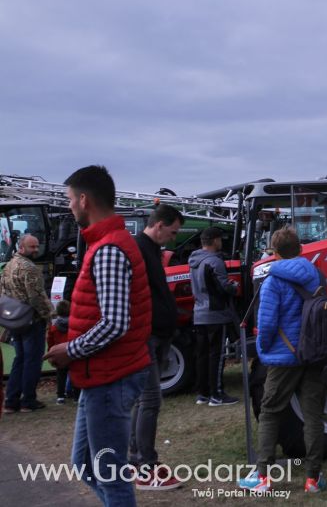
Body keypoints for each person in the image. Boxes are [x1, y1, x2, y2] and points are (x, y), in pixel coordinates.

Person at [43, 165, 151, 507]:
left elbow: (116, 322)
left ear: (85, 199)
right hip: (101, 374)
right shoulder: (105, 243)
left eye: (70, 199)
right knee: (86, 464)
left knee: (107, 471)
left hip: (110, 375)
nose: (70, 206)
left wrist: (70, 350)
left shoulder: (107, 249)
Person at [239, 226, 327, 493]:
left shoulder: (272, 282)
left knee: (270, 413)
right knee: (313, 416)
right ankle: (314, 478)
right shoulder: (316, 274)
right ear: (300, 248)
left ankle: (262, 475)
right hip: (312, 354)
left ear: (274, 253)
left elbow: (266, 324)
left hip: (283, 357)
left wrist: (265, 350)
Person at [128, 204, 184, 491]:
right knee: (150, 400)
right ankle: (146, 466)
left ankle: (137, 459)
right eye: (172, 231)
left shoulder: (151, 249)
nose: (173, 238)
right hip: (147, 336)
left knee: (144, 400)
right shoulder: (138, 248)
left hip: (158, 333)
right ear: (159, 225)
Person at [2, 234, 53, 413]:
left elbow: (4, 292)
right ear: (21, 247)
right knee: (32, 360)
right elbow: (36, 297)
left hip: (15, 320)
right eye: (32, 247)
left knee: (19, 359)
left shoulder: (8, 266)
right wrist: (49, 315)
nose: (36, 250)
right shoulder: (30, 268)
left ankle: (11, 400)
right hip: (32, 320)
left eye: (37, 246)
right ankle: (28, 401)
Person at [188, 226, 239, 406]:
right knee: (216, 356)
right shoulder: (214, 262)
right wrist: (234, 286)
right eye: (220, 239)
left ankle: (202, 394)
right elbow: (224, 287)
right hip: (216, 315)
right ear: (215, 240)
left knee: (202, 355)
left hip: (198, 313)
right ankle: (217, 395)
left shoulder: (193, 260)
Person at [47, 300, 71, 404]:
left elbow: (50, 341)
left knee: (61, 374)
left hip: (59, 355)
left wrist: (51, 352)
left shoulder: (53, 328)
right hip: (71, 352)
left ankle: (60, 396)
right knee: (73, 372)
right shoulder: (73, 326)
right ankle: (75, 394)